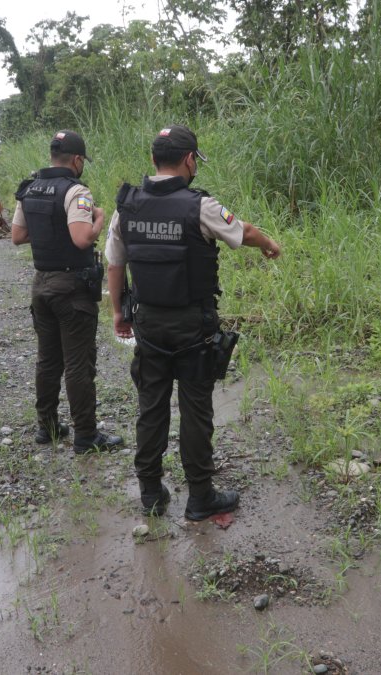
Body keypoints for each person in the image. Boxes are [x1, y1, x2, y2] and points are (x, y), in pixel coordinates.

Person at [105, 125, 281, 520]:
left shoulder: (126, 207)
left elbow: (115, 263)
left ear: (153, 160)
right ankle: (200, 496)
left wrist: (118, 312)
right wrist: (270, 244)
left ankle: (150, 493)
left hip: (147, 324)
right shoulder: (199, 207)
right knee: (196, 409)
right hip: (192, 326)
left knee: (151, 408)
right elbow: (244, 232)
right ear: (189, 160)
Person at [12, 130, 123, 454]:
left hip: (41, 285)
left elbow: (18, 235)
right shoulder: (77, 191)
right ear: (76, 160)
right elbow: (81, 238)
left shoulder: (29, 188)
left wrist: (52, 231)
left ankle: (47, 427)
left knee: (48, 359)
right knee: (78, 362)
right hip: (71, 288)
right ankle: (86, 436)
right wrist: (99, 219)